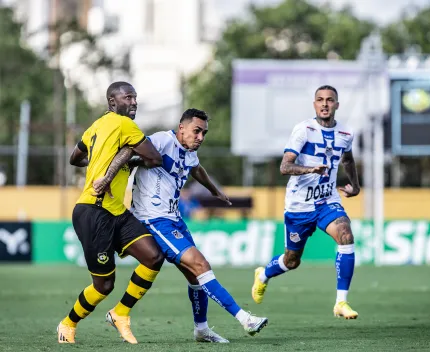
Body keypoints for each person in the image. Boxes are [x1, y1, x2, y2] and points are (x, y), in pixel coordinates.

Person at [93, 108, 269, 342]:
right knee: (200, 264)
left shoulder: (188, 152)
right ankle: (244, 318)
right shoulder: (161, 140)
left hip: (173, 218)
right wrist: (107, 177)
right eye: (197, 131)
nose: (200, 137)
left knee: (195, 277)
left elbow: (197, 169)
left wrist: (215, 191)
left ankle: (202, 330)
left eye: (204, 133)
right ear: (181, 128)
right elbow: (130, 149)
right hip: (153, 218)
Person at [57, 82, 166, 344]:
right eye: (128, 97)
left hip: (116, 209)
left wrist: (107, 161)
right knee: (104, 285)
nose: (134, 102)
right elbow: (154, 158)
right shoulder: (124, 124)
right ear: (112, 102)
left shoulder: (95, 126)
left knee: (153, 256)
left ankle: (121, 313)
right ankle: (68, 323)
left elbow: (75, 158)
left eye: (135, 97)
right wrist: (130, 158)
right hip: (93, 211)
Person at [251, 85, 361, 319]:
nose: (324, 104)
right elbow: (285, 166)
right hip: (299, 206)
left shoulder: (346, 133)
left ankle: (341, 302)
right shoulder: (304, 130)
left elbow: (348, 159)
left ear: (336, 105)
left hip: (326, 201)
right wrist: (310, 168)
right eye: (320, 100)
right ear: (314, 104)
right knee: (292, 261)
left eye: (329, 100)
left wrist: (355, 185)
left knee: (346, 235)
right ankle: (263, 275)